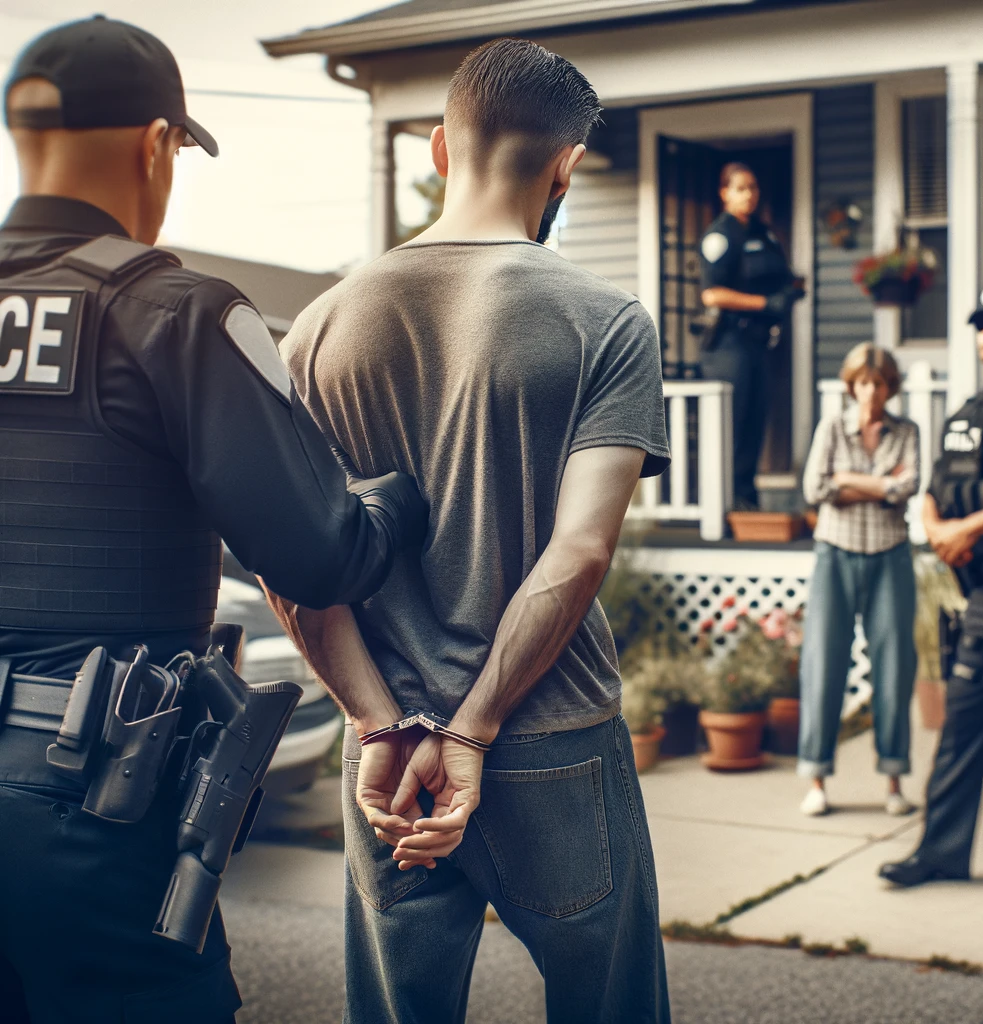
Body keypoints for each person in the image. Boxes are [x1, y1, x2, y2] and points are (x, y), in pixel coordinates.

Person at [0, 16, 425, 1024]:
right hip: (88, 807)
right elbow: (323, 551)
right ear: (157, 145)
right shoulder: (175, 312)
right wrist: (404, 487)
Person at [274, 37, 673, 1024]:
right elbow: (579, 551)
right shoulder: (607, 321)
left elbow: (295, 564)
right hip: (552, 738)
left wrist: (379, 718)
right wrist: (475, 726)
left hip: (391, 750)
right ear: (565, 165)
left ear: (441, 152)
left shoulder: (314, 331)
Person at [880, 283, 983, 887]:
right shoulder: (967, 415)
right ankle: (940, 852)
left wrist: (965, 527)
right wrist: (939, 529)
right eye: (982, 323)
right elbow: (936, 488)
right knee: (961, 732)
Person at [799, 343, 920, 817]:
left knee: (894, 666)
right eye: (864, 382)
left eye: (881, 382)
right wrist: (880, 484)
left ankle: (893, 781)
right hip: (835, 554)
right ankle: (817, 780)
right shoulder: (832, 426)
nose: (872, 391)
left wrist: (848, 482)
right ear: (852, 385)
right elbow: (815, 488)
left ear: (891, 388)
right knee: (824, 662)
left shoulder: (907, 431)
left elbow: (908, 487)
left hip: (891, 556)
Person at [698, 162, 805, 510]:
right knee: (735, 423)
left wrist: (789, 291)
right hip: (730, 344)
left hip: (759, 344)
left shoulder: (764, 233)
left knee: (757, 421)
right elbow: (712, 294)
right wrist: (764, 303)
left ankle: (746, 498)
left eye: (753, 188)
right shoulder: (721, 235)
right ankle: (726, 502)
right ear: (725, 193)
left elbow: (780, 277)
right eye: (741, 188)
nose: (749, 195)